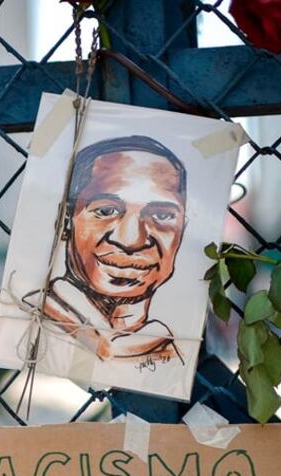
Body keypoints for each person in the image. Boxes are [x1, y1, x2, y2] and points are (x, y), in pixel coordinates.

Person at [38, 135, 187, 362]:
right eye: (106, 211)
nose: (131, 241)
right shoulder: (29, 318)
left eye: (161, 215)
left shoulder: (174, 350)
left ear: (182, 229)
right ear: (65, 221)